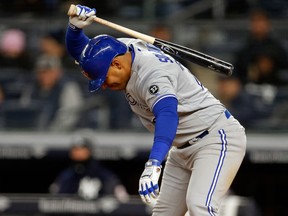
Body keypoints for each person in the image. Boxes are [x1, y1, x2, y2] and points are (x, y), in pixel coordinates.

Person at [65, 4, 246, 216]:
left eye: (104, 79)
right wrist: (74, 29)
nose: (103, 85)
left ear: (117, 65)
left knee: (200, 206)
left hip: (215, 137)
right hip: (182, 148)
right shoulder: (120, 50)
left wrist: (154, 162)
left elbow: (167, 115)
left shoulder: (152, 74)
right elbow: (83, 52)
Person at [50, 135, 129, 202]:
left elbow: (123, 201)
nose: (79, 154)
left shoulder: (105, 176)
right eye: (76, 151)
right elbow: (53, 202)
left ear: (90, 151)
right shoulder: (65, 176)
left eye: (82, 151)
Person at [20, 54, 84, 130]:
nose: (44, 75)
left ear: (58, 72)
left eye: (49, 72)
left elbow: (70, 115)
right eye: (41, 72)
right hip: (33, 133)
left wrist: (50, 131)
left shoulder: (68, 87)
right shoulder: (31, 89)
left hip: (60, 136)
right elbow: (25, 111)